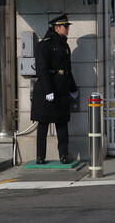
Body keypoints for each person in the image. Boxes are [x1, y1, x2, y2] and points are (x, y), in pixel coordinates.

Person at [31, 14, 78, 164]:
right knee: (43, 123)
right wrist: (48, 90)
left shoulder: (65, 46)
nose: (68, 29)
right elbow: (42, 70)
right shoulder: (44, 45)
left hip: (62, 88)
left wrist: (72, 87)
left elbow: (68, 69)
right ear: (57, 28)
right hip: (48, 89)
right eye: (65, 26)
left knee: (62, 122)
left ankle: (64, 154)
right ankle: (40, 156)